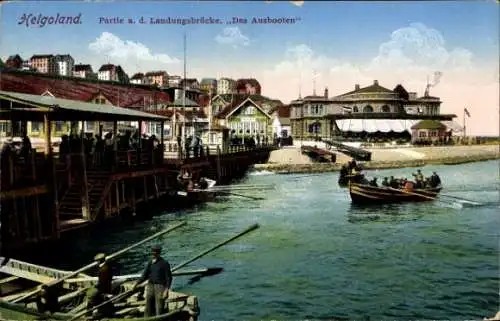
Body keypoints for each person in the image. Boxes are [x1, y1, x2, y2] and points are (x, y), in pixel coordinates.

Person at [133, 246, 172, 317]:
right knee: (148, 305)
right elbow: (144, 275)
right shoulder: (150, 262)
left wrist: (166, 290)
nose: (154, 254)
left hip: (160, 286)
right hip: (150, 285)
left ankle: (159, 318)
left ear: (159, 253)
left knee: (159, 306)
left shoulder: (164, 263)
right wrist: (136, 283)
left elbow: (169, 278)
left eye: (156, 252)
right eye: (153, 252)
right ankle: (147, 318)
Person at [86, 253, 114, 317]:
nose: (96, 262)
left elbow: (102, 283)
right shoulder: (107, 266)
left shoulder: (103, 269)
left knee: (90, 294)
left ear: (99, 261)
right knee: (92, 292)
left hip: (104, 289)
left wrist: (96, 287)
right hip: (107, 286)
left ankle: (88, 313)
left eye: (96, 261)